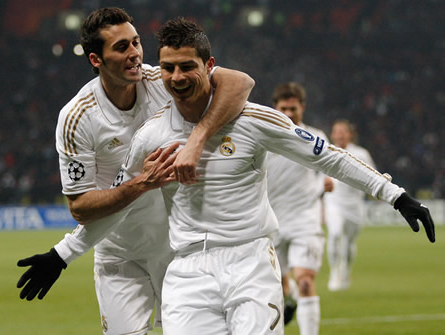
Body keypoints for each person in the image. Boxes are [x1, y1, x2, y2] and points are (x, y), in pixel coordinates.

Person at [114, 17, 434, 334]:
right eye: (168, 68)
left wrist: (395, 195)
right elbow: (122, 195)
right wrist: (69, 251)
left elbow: (329, 157)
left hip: (250, 263)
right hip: (187, 271)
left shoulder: (253, 120)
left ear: (210, 65)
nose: (176, 76)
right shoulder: (150, 136)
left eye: (186, 66)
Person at [16, 7, 255, 335]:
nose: (134, 55)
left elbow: (240, 83)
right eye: (121, 47)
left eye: (136, 43)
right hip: (120, 254)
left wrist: (197, 138)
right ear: (95, 60)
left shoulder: (161, 80)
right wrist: (142, 183)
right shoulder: (77, 118)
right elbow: (81, 207)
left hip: (178, 248)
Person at [266, 82, 333, 334]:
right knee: (278, 287)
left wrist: (328, 183)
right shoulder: (264, 137)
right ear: (275, 107)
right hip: (271, 223)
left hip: (305, 219)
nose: (289, 114)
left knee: (305, 281)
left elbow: (332, 167)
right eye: (284, 108)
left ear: (302, 107)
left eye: (293, 108)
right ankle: (289, 292)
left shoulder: (315, 139)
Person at [324, 119, 375, 291]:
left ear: (350, 134)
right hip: (334, 202)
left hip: (354, 205)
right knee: (335, 234)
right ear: (332, 134)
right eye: (336, 131)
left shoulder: (361, 154)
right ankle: (334, 273)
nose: (339, 134)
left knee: (349, 243)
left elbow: (372, 177)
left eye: (343, 131)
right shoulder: (325, 151)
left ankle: (345, 270)